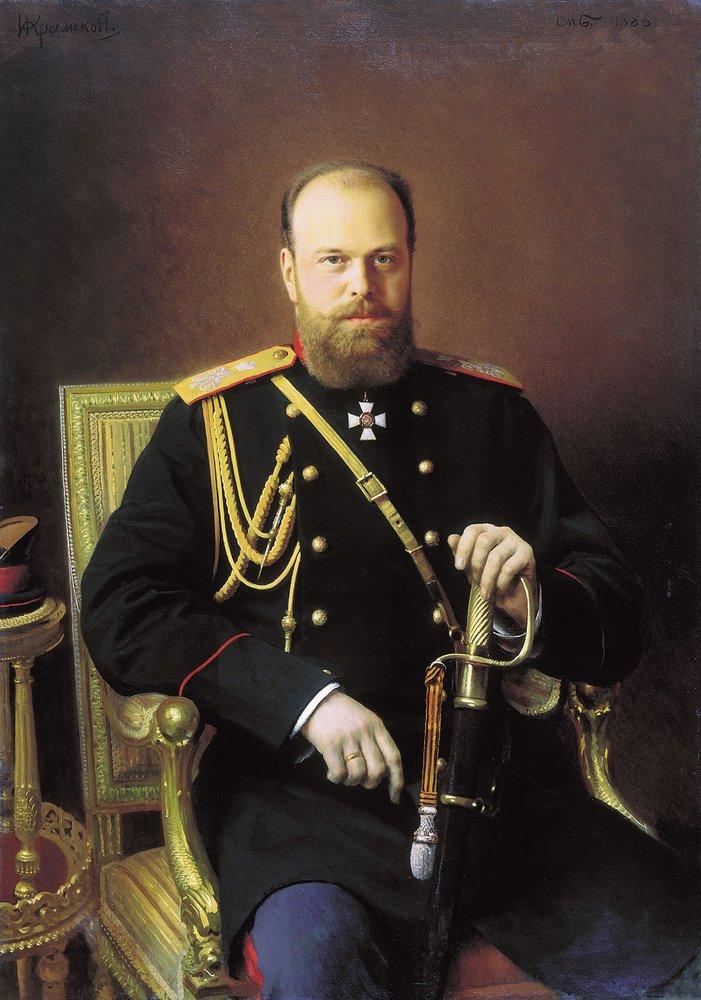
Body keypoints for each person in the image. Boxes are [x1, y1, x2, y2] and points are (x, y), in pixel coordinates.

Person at [81, 161, 699, 1000]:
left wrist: (527, 602)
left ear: (410, 261)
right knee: (318, 967)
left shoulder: (491, 414)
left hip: (500, 796)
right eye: (333, 261)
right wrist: (301, 701)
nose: (361, 287)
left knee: (681, 949)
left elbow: (616, 613)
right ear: (289, 271)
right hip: (299, 802)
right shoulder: (216, 424)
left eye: (383, 259)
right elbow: (122, 604)